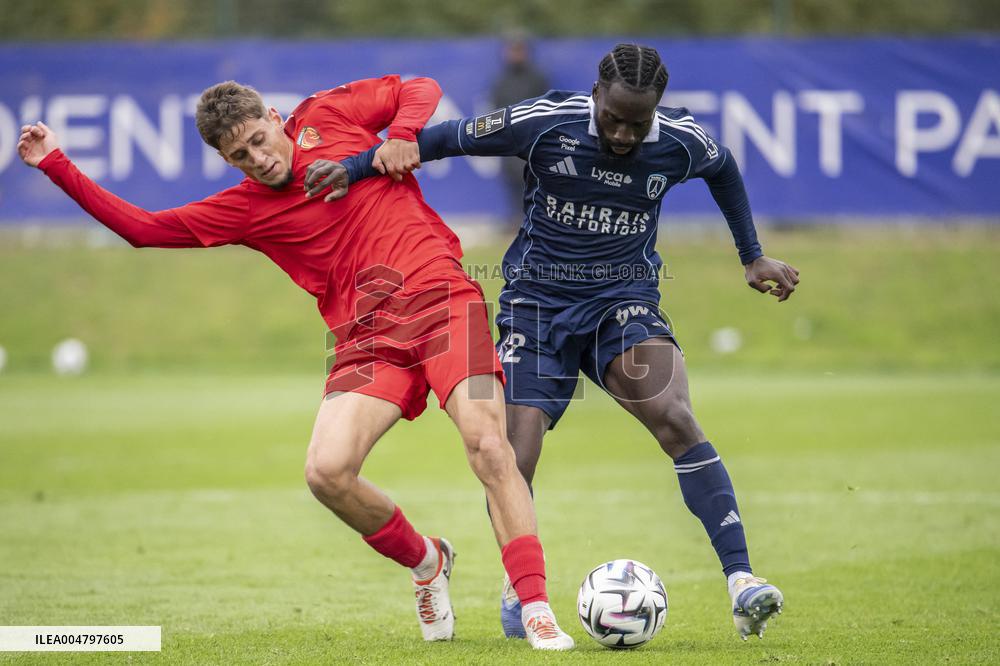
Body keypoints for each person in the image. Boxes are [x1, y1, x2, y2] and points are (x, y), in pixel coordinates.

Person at [17, 75, 574, 650]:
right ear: (226, 161)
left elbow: (419, 88)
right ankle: (427, 561)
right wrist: (56, 163)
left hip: (443, 303)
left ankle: (534, 607)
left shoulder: (329, 114)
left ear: (275, 118)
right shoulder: (244, 209)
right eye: (240, 155)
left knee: (488, 444)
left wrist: (402, 134)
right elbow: (142, 229)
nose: (258, 159)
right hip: (367, 340)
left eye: (259, 139)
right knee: (326, 472)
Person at [314, 43, 799, 641]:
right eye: (613, 118)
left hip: (622, 303)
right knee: (512, 455)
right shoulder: (545, 121)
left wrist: (752, 256)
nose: (623, 134)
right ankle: (518, 588)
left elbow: (723, 170)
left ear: (656, 111)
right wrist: (356, 168)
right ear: (595, 95)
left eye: (637, 123)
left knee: (674, 415)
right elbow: (442, 140)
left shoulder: (680, 140)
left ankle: (742, 581)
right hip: (536, 311)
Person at [490, 32, 550, 230]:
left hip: (531, 140)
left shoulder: (537, 78)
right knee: (511, 180)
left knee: (531, 179)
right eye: (512, 50)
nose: (515, 54)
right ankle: (515, 219)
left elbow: (547, 108)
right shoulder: (501, 80)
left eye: (519, 50)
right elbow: (495, 108)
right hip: (507, 139)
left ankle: (532, 219)